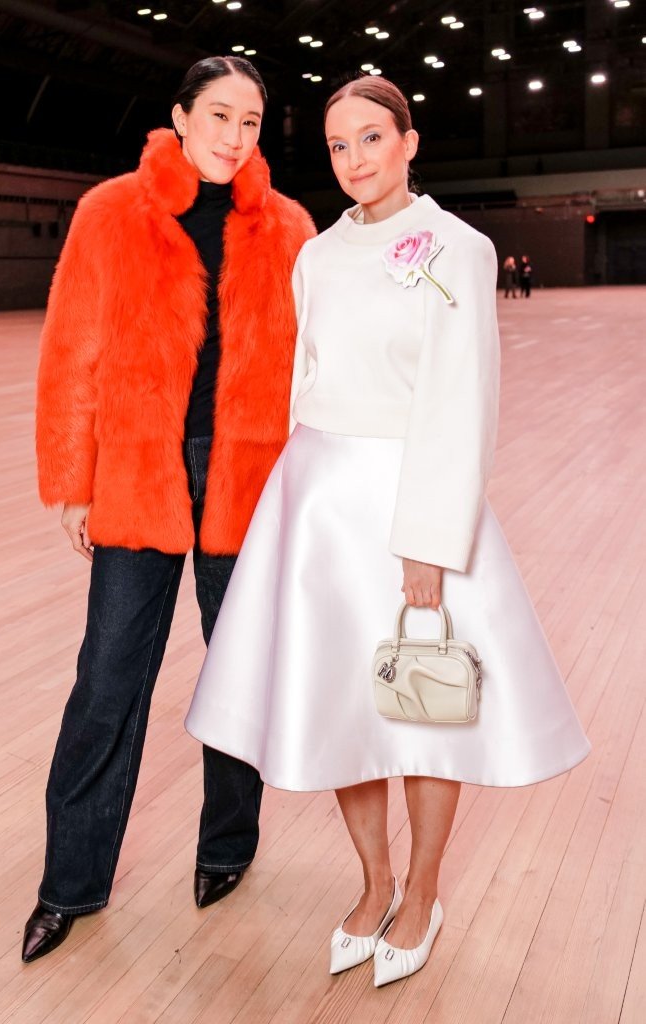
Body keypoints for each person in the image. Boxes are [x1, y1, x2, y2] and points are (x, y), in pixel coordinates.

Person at [185, 76, 589, 988]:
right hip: (320, 505)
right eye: (337, 145)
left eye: (371, 138)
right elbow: (305, 384)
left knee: (423, 708)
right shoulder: (317, 255)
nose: (354, 159)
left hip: (412, 498)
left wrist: (429, 543)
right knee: (343, 705)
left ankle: (423, 891)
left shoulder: (461, 248)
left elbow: (462, 401)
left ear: (409, 142)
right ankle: (373, 884)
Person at [22, 56, 315, 964]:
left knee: (239, 674)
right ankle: (68, 884)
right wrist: (72, 481)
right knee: (107, 679)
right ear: (180, 117)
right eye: (219, 115)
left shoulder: (289, 226)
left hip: (248, 477)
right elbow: (70, 348)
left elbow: (318, 368)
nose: (235, 136)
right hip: (139, 472)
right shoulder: (110, 211)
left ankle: (226, 849)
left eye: (250, 121)